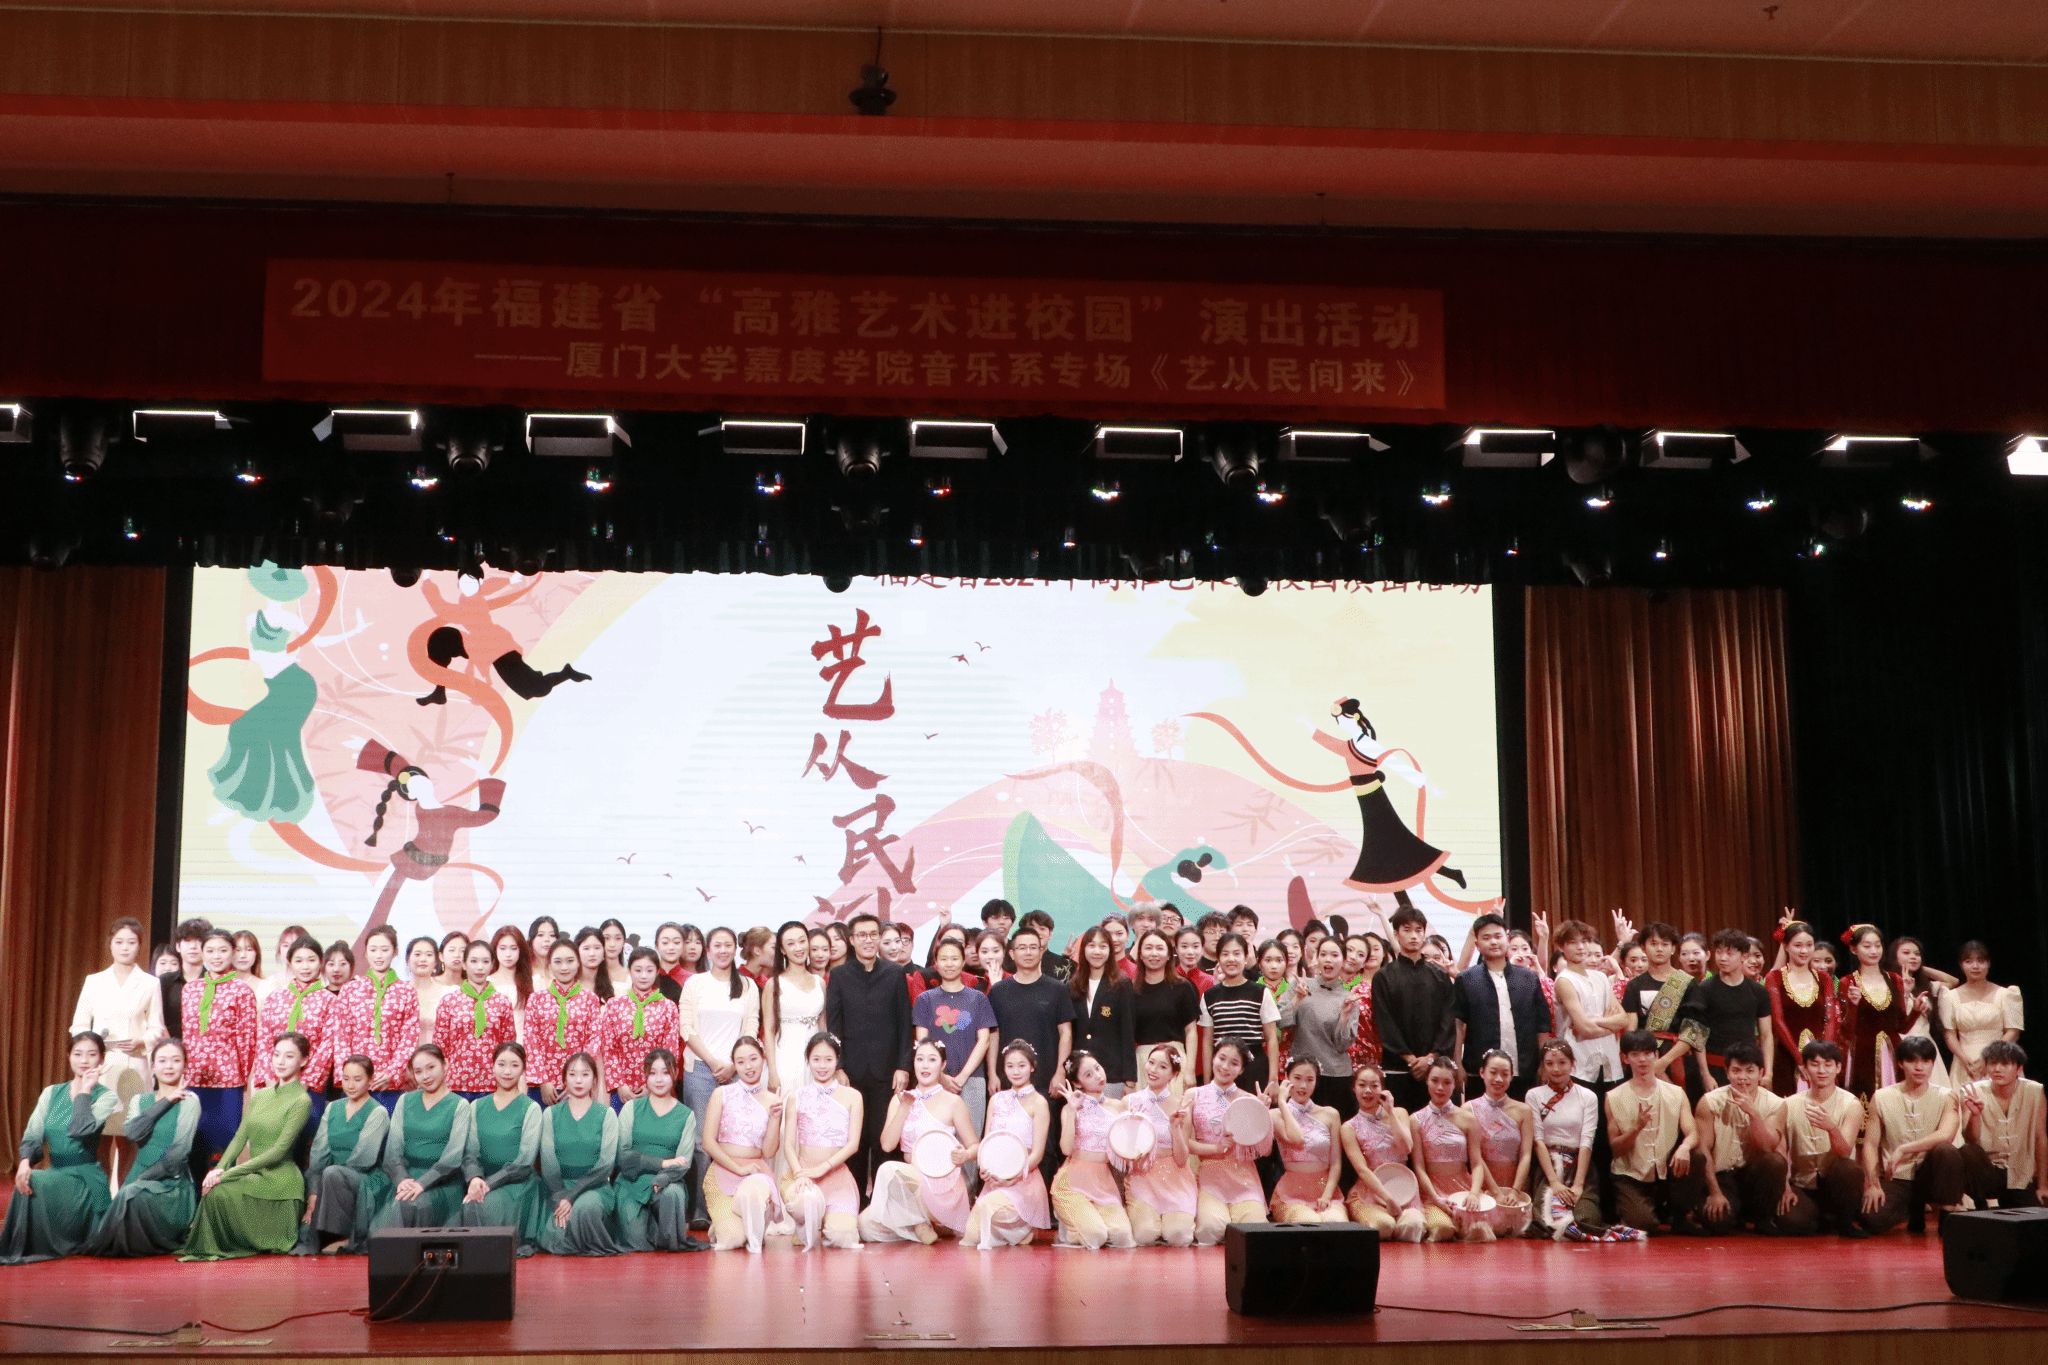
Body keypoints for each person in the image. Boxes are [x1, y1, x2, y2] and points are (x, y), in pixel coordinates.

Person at [179, 1032, 314, 1260]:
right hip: (255, 1176)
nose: (280, 1061)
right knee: (214, 1188)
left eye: (289, 1056)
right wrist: (218, 1170)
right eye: (276, 1055)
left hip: (281, 1184)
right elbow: (240, 1137)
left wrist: (229, 1174)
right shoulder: (261, 1095)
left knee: (219, 1191)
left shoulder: (302, 1100)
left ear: (304, 1061)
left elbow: (278, 1152)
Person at [0, 1032, 121, 1263]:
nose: (84, 1060)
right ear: (68, 1056)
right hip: (57, 1173)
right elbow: (33, 1133)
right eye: (78, 1054)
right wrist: (24, 1163)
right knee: (29, 1178)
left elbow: (79, 1130)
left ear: (101, 1059)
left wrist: (85, 1090)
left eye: (91, 1054)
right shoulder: (51, 1092)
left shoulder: (106, 1097)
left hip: (85, 1179)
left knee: (36, 1180)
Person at [85, 1038, 202, 1257]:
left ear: (185, 1066)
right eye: (162, 1061)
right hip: (137, 1179)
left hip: (170, 1185)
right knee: (115, 1213)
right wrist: (166, 1102)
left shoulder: (190, 1100)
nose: (169, 1066)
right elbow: (133, 1134)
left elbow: (178, 1153)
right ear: (153, 1066)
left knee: (129, 1196)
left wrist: (145, 1177)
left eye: (176, 1060)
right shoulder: (140, 1100)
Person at [823, 913, 913, 1194]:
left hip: (888, 1071)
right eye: (861, 935)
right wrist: (839, 1066)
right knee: (855, 1139)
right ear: (852, 940)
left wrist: (903, 1066)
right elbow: (834, 1026)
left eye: (873, 934)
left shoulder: (895, 973)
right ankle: (855, 1200)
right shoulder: (839, 975)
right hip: (851, 1072)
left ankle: (885, 1202)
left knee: (884, 1137)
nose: (868, 940)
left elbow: (904, 1024)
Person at [861, 1039, 978, 1243]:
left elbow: (976, 1147)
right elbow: (887, 1145)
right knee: (865, 1226)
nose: (925, 1065)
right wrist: (905, 1106)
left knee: (888, 1170)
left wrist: (965, 1155)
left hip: (942, 1185)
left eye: (932, 1060)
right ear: (913, 1063)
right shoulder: (899, 1099)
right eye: (920, 1059)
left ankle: (923, 1222)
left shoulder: (953, 1102)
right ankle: (921, 1225)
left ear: (943, 1065)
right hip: (908, 1184)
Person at [680, 926, 761, 1220]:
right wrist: (713, 1062)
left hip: (738, 1072)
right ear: (708, 950)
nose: (723, 950)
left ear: (735, 949)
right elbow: (686, 1028)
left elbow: (751, 1026)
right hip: (701, 1070)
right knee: (702, 1142)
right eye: (717, 945)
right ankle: (702, 1210)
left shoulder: (747, 986)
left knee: (735, 1139)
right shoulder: (695, 983)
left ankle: (734, 1206)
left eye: (728, 945)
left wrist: (732, 1064)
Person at [988, 925, 1075, 1181]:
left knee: (1045, 1147)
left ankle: (1043, 1200)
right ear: (1011, 954)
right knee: (1006, 1140)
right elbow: (993, 1035)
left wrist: (1060, 1072)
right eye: (1021, 948)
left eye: (1033, 947)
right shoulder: (999, 991)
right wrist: (992, 1073)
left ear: (1042, 950)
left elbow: (1066, 1033)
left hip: (1046, 1079)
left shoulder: (1056, 989)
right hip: (1009, 1079)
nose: (1027, 953)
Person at [1673, 1041, 1787, 1235]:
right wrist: (1714, 1191)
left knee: (1774, 1162)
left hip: (1753, 1174)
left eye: (1749, 1071)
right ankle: (1723, 1211)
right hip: (1722, 1175)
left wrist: (1754, 1114)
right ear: (1727, 1073)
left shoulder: (1776, 1104)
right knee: (1718, 1224)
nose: (1742, 1077)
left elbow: (1768, 1147)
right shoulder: (1710, 1102)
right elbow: (1703, 1150)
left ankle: (1762, 1218)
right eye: (1736, 1071)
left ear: (1761, 1073)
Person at [1857, 1034, 1962, 1235]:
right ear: (1900, 1064)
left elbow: (1946, 1135)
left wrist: (1903, 1149)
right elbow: (1870, 1144)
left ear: (1932, 1064)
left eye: (1925, 1061)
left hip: (1932, 1175)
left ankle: (1946, 1217)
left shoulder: (1946, 1096)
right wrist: (1872, 1183)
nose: (1919, 1067)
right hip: (1898, 1176)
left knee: (1947, 1152)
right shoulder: (1881, 1097)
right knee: (1871, 1218)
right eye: (1912, 1061)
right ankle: (1912, 1209)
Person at [911, 937, 996, 1183]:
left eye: (954, 958)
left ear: (963, 961)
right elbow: (922, 1043)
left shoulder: (978, 998)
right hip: (935, 1082)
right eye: (944, 958)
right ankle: (936, 1194)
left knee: (970, 1144)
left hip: (972, 1079)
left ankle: (966, 1195)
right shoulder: (925, 999)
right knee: (936, 1139)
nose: (949, 964)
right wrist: (941, 1076)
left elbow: (984, 1040)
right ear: (935, 963)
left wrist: (961, 1077)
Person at [614, 1049, 710, 1252]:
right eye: (653, 1073)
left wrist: (664, 1177)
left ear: (675, 1074)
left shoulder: (686, 1115)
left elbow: (683, 1161)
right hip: (632, 1182)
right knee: (637, 1242)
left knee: (673, 1195)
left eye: (665, 1073)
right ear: (645, 1076)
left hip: (668, 1180)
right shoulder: (631, 1108)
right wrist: (661, 1163)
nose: (659, 1079)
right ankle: (656, 1226)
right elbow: (623, 1156)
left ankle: (667, 1229)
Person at [294, 1054, 390, 1255]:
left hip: (365, 1179)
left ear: (370, 1081)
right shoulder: (332, 1108)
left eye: (357, 1079)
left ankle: (339, 1234)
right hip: (330, 1177)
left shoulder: (378, 1112)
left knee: (333, 1174)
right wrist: (314, 1194)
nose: (350, 1085)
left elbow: (363, 1159)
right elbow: (318, 1155)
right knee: (304, 1234)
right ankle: (330, 1234)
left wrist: (327, 1182)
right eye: (346, 1078)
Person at [371, 1044, 474, 1230]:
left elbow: (452, 1158)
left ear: (445, 1065)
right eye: (418, 1071)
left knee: (408, 1205)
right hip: (405, 1178)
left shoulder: (460, 1105)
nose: (425, 1076)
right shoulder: (405, 1100)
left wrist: (422, 1184)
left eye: (431, 1067)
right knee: (374, 1195)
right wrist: (402, 1180)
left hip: (441, 1183)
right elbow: (393, 1150)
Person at [70, 917, 165, 1119]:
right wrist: (92, 1046)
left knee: (131, 1126)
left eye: (131, 942)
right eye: (119, 942)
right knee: (99, 1125)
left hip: (134, 1063)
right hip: (100, 1065)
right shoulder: (94, 981)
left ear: (139, 946)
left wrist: (142, 1041)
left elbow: (157, 1027)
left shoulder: (150, 983)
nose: (125, 948)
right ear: (110, 944)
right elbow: (79, 1025)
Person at [1605, 1030, 1698, 1236]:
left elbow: (1692, 1133)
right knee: (1645, 1225)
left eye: (1647, 1053)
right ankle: (1634, 1210)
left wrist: (1685, 1147)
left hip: (1665, 1171)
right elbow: (1616, 1149)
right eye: (1635, 1054)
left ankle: (1679, 1215)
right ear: (1625, 1058)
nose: (1642, 1060)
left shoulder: (1676, 1093)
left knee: (1697, 1156)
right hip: (1631, 1175)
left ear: (1656, 1056)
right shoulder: (1614, 1097)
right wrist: (1636, 1128)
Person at [962, 1040, 1052, 1250]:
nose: (1016, 1071)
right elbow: (987, 1144)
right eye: (1010, 1066)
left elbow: (1037, 1154)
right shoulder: (996, 1099)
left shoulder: (1039, 1103)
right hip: (995, 1181)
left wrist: (1013, 1176)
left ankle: (1022, 1227)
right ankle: (1011, 1233)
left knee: (987, 1210)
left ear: (1032, 1067)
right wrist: (985, 1169)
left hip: (1023, 1181)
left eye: (1021, 1065)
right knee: (972, 1236)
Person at [182, 930, 259, 1173]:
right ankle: (193, 1196)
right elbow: (186, 1035)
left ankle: (219, 1196)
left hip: (227, 1083)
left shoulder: (242, 991)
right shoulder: (190, 989)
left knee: (222, 1150)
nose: (216, 956)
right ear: (202, 953)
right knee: (194, 1146)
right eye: (211, 951)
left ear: (233, 953)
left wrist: (241, 1079)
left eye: (223, 950)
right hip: (194, 1080)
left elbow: (247, 1040)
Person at [459, 1041, 546, 1255]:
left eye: (514, 1065)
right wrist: (475, 1179)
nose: (507, 1071)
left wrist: (488, 1184)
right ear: (492, 1066)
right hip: (482, 1180)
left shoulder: (531, 1108)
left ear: (523, 1069)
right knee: (469, 1205)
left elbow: (524, 1161)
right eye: (501, 1064)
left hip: (517, 1182)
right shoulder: (476, 1106)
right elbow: (470, 1153)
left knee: (486, 1206)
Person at [780, 1033, 864, 1251]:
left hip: (836, 1175)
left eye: (828, 1059)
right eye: (816, 1059)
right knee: (803, 1204)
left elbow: (853, 1144)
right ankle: (804, 1224)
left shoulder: (853, 1096)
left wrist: (823, 1168)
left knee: (842, 1237)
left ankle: (828, 1221)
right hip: (804, 1174)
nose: (822, 1066)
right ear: (808, 1060)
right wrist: (800, 1173)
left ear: (837, 1060)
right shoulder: (796, 1096)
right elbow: (788, 1145)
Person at [1774, 1040, 1867, 1237]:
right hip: (1803, 1184)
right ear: (1805, 1069)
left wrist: (1831, 1128)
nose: (1822, 1071)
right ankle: (1821, 1217)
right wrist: (1785, 1187)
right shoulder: (1789, 1104)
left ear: (1838, 1068)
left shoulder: (1851, 1104)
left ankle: (1845, 1222)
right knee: (1790, 1222)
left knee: (1848, 1168)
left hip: (1836, 1182)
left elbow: (1844, 1151)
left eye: (1828, 1064)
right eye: (1815, 1064)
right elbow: (1780, 1151)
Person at [1183, 1039, 1272, 1244]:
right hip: (1210, 1173)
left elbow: (1266, 1151)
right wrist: (1216, 1148)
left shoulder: (1250, 1100)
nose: (1225, 1066)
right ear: (1213, 1058)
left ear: (1241, 1070)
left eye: (1234, 1063)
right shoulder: (1194, 1095)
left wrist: (1262, 1114)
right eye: (1221, 1058)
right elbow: (1186, 1142)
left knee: (1255, 1231)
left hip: (1244, 1176)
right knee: (1210, 1229)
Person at [536, 1051, 625, 1256]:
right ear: (564, 1079)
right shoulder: (550, 1114)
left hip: (594, 1187)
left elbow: (606, 1164)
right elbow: (548, 1162)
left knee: (584, 1209)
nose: (578, 1080)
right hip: (558, 1189)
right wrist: (561, 1198)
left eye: (585, 1074)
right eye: (572, 1074)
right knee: (556, 1237)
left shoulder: (607, 1114)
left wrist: (572, 1197)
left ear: (594, 1080)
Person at [701, 1037, 783, 1252]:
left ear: (763, 1059)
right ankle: (723, 1225)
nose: (748, 1066)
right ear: (734, 1065)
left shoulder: (772, 1100)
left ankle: (750, 1222)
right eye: (741, 1062)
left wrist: (775, 1119)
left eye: (753, 1059)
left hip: (755, 1171)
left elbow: (769, 1152)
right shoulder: (721, 1094)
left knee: (753, 1194)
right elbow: (708, 1142)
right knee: (732, 1240)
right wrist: (737, 1168)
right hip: (723, 1171)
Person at [1452, 913, 1546, 1102]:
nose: (1493, 942)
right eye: (1486, 938)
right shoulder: (1466, 979)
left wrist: (1543, 1063)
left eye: (1498, 936)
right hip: (1479, 1071)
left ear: (1507, 938)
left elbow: (1542, 1026)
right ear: (1477, 944)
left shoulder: (1529, 979)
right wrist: (1457, 1064)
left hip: (1524, 1069)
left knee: (1523, 1116)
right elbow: (1458, 1025)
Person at [1045, 1051, 1134, 1248]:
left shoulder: (1118, 1106)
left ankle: (1088, 1220)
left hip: (1103, 1181)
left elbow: (1126, 1148)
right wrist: (1073, 1110)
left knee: (1122, 1237)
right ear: (1077, 1083)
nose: (1098, 1075)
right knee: (1097, 1236)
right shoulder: (1071, 1108)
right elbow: (1066, 1149)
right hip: (1073, 1183)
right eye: (1088, 1074)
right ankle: (1074, 1227)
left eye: (1097, 1068)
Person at [1372, 907, 1457, 1112]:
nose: (1414, 936)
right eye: (1407, 930)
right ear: (1396, 934)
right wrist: (1410, 1059)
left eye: (1419, 930)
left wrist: (1431, 1057)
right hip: (1397, 1069)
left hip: (1435, 1071)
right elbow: (1385, 1022)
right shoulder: (1383, 976)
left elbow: (1448, 1020)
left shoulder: (1440, 976)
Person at [1672, 929, 1774, 1094]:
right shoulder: (1704, 990)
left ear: (1744, 956)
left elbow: (1766, 1035)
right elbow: (1698, 1036)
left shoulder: (1758, 991)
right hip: (1715, 1066)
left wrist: (1768, 1072)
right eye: (1719, 952)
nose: (1722, 958)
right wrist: (1705, 1074)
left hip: (1748, 1068)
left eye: (1729, 953)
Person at [1405, 1055, 1492, 1242]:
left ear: (1454, 1085)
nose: (1440, 1087)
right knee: (1442, 1229)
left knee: (1479, 1232)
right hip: (1432, 1191)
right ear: (1427, 1081)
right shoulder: (1415, 1120)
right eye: (1435, 1081)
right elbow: (1419, 1167)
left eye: (1447, 1082)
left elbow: (1477, 1163)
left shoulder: (1468, 1119)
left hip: (1464, 1188)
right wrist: (1435, 1198)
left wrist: (1474, 1193)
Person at [1120, 1044, 1197, 1246]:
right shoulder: (1129, 1102)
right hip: (1142, 1177)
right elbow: (1120, 1148)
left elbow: (1182, 1160)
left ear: (1174, 1074)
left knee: (1179, 1236)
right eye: (1151, 1063)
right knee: (1144, 1235)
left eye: (1162, 1067)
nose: (1153, 1070)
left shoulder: (1182, 1106)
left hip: (1175, 1178)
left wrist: (1175, 1127)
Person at [1956, 1040, 2047, 1209]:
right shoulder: (1972, 1091)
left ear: (2019, 1069)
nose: (1997, 1069)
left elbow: (2040, 1137)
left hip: (2020, 1174)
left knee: (2033, 1217)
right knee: (1967, 1151)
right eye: (1992, 1063)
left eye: (2005, 1064)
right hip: (1988, 1171)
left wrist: (2043, 1185)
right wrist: (1975, 1115)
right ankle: (1980, 1204)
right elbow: (1970, 1138)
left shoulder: (2034, 1091)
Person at [1338, 1064, 1425, 1240]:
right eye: (1362, 1085)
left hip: (1404, 1189)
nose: (1367, 1091)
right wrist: (1388, 1198)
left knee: (1412, 1225)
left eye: (1374, 1085)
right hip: (1369, 1193)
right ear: (1354, 1088)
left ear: (1383, 1089)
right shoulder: (1348, 1127)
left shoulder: (1399, 1113)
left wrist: (1390, 1112)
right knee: (1383, 1226)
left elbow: (1406, 1148)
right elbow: (1362, 1170)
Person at [1526, 1040, 1603, 1240]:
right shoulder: (1534, 1095)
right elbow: (1537, 1140)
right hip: (1549, 1166)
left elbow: (1587, 1141)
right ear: (1543, 1066)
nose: (1556, 1069)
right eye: (1550, 1063)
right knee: (1547, 1223)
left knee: (1586, 1220)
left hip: (1579, 1166)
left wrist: (1578, 1184)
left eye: (1562, 1062)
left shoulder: (1588, 1096)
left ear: (1572, 1064)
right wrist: (1554, 1182)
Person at [337, 926, 417, 1111]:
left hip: (389, 1085)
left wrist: (392, 1072)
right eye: (373, 950)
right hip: (354, 1083)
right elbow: (341, 1037)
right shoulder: (350, 990)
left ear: (395, 952)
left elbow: (409, 1039)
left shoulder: (407, 992)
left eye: (385, 949)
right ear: (365, 953)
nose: (378, 956)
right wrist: (349, 1075)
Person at [1281, 935, 1362, 1119]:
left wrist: (1344, 1015)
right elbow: (1282, 1023)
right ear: (1316, 958)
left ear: (1344, 960)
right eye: (1323, 954)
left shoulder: (1348, 997)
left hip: (1336, 1076)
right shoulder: (1300, 985)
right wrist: (1297, 999)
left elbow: (1342, 1046)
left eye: (1334, 955)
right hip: (1302, 1075)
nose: (1328, 960)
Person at [255, 935, 338, 1112]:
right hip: (274, 1084)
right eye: (298, 961)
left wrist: (303, 1085)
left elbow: (327, 1047)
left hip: (309, 1089)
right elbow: (263, 1041)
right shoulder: (275, 997)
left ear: (321, 962)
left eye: (311, 960)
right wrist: (271, 1083)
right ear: (290, 963)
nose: (305, 967)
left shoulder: (330, 1000)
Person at [434, 938, 518, 1098]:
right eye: (473, 961)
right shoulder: (449, 1001)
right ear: (464, 964)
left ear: (492, 964)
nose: (479, 967)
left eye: (485, 961)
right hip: (455, 1084)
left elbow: (508, 1046)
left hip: (494, 1084)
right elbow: (440, 1047)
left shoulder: (502, 1002)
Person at [1464, 1049, 1534, 1236]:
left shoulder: (1524, 1111)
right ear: (1482, 1072)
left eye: (1505, 1074)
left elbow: (1526, 1155)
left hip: (1515, 1186)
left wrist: (1515, 1191)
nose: (1498, 1079)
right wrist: (1495, 1192)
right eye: (1493, 1072)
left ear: (1511, 1076)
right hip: (1483, 1185)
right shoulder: (1468, 1109)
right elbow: (1475, 1157)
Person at [1552, 919, 1629, 1090]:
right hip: (1578, 1063)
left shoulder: (1600, 977)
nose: (1580, 947)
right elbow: (1584, 1029)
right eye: (1573, 942)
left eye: (1585, 941)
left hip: (1609, 1061)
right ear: (1561, 947)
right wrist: (1611, 1025)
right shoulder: (1565, 980)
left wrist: (1595, 1021)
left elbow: (1624, 1019)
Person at [1765, 921, 1838, 1098]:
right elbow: (1778, 1021)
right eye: (1798, 945)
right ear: (1785, 946)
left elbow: (1830, 1019)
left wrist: (1823, 1056)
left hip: (1820, 1058)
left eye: (1809, 945)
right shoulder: (1775, 977)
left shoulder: (1824, 979)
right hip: (1787, 1056)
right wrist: (1800, 1059)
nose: (1804, 951)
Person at [1838, 923, 1912, 1099]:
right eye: (1867, 946)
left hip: (1893, 1052)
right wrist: (1853, 1005)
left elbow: (1902, 1028)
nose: (1874, 951)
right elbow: (1846, 1030)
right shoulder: (1847, 982)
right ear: (1854, 949)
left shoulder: (1895, 979)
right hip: (1862, 1054)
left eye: (1878, 945)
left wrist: (1915, 1010)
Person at [1269, 1057, 1346, 1225]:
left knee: (1336, 1223)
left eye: (1310, 1080)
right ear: (1286, 1078)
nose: (1303, 1086)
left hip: (1326, 1190)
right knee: (1308, 1223)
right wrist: (1282, 1102)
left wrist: (1327, 1196)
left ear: (1316, 1081)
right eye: (1297, 1078)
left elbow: (1336, 1163)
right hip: (1290, 1192)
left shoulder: (1331, 1114)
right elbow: (1297, 1141)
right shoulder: (1276, 1114)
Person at [1200, 933, 1281, 1091]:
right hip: (1222, 1069)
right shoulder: (1209, 996)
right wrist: (1207, 1081)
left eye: (1237, 954)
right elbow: (1207, 1042)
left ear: (1245, 958)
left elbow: (1272, 1038)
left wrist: (1273, 1079)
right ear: (1218, 959)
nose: (1231, 959)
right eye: (1225, 954)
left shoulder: (1261, 992)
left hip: (1254, 1068)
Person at [602, 948, 682, 1106]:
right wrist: (620, 1084)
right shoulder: (614, 1005)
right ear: (629, 971)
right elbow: (608, 1048)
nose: (644, 976)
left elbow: (670, 1051)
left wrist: (650, 1085)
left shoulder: (668, 1007)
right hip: (622, 1091)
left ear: (657, 972)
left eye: (649, 970)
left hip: (657, 1087)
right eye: (638, 970)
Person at [528, 939, 602, 1106]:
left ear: (578, 963)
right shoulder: (536, 999)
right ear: (549, 965)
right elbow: (531, 1042)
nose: (564, 967)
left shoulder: (590, 999)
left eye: (570, 961)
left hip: (579, 1085)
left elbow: (593, 1041)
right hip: (542, 1085)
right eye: (558, 962)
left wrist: (577, 1080)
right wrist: (543, 1081)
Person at [1942, 942, 2025, 1081]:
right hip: (1966, 1063)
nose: (1975, 966)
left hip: (1999, 1059)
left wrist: (1989, 1057)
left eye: (1981, 961)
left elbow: (2013, 1032)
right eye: (1969, 961)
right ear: (1961, 965)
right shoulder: (1949, 997)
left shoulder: (2006, 994)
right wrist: (1964, 1059)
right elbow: (1949, 1034)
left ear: (1988, 964)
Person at [1068, 928, 1137, 1095]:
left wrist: (1130, 1078)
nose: (1097, 951)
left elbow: (1128, 1032)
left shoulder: (1121, 983)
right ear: (1083, 949)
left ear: (1110, 950)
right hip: (1081, 1076)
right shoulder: (1073, 985)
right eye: (1091, 946)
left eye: (1103, 946)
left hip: (1112, 1074)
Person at [1132, 930, 1200, 1094]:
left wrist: (1190, 1070)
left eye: (1160, 948)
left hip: (1174, 1058)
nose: (1154, 953)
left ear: (1169, 954)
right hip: (1143, 1061)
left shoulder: (1183, 987)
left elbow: (1191, 1031)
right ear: (1140, 954)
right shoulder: (1131, 990)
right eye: (1148, 948)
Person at [765, 921, 827, 1092]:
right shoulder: (774, 984)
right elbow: (768, 1031)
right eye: (791, 944)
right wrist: (772, 1071)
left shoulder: (819, 982)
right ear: (782, 949)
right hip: (785, 1057)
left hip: (815, 1058)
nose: (798, 948)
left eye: (802, 941)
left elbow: (823, 1026)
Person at [1888, 936, 1952, 1089]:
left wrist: (1921, 967)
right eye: (1906, 953)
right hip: (1900, 1042)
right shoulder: (1887, 982)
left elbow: (1952, 981)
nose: (1913, 957)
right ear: (1894, 957)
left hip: (1925, 1042)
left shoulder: (1925, 985)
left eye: (1917, 954)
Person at [159, 918, 211, 1040]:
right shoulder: (164, 982)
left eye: (199, 941)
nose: (193, 946)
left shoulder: (214, 982)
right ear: (178, 946)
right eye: (187, 941)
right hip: (169, 1046)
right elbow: (157, 1019)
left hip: (205, 1046)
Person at [487, 924, 533, 1028]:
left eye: (513, 948)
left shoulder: (530, 981)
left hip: (524, 1036)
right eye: (502, 948)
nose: (508, 954)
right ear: (495, 950)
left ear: (520, 950)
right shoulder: (486, 982)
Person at [408, 935, 450, 1047]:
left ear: (436, 961)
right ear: (408, 959)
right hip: (404, 1055)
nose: (423, 959)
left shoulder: (447, 994)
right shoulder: (399, 993)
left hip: (437, 1054)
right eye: (417, 954)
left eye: (429, 955)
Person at [1021, 910, 1075, 983]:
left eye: (1042, 929)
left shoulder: (1065, 965)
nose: (1037, 932)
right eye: (1032, 928)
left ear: (1050, 934)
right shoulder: (1014, 962)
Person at [572, 927, 617, 1002]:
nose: (592, 954)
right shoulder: (568, 985)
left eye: (597, 948)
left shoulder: (616, 987)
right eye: (586, 948)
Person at [1175, 928, 1216, 997]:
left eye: (1195, 946)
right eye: (1184, 946)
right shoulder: (1166, 979)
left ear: (1202, 949)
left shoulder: (1211, 982)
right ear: (1176, 949)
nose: (1190, 952)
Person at [232, 931, 270, 1004]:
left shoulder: (265, 987)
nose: (243, 955)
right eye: (237, 950)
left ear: (256, 953)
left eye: (249, 949)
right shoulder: (219, 984)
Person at [598, 918, 633, 995]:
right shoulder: (592, 973)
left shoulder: (632, 976)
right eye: (606, 938)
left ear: (624, 942)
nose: (612, 944)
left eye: (618, 938)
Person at [527, 916, 561, 984]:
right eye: (540, 935)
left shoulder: (564, 969)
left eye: (552, 935)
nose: (547, 939)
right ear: (531, 939)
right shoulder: (523, 969)